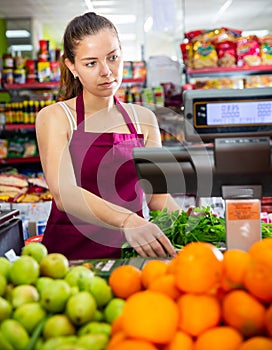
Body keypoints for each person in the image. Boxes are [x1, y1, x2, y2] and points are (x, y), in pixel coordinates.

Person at [35, 11, 184, 261]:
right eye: (91, 63)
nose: (106, 71)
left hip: (132, 254)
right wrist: (129, 221)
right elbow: (65, 194)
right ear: (72, 66)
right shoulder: (56, 117)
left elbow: (157, 198)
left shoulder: (144, 119)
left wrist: (196, 227)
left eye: (113, 57)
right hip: (70, 258)